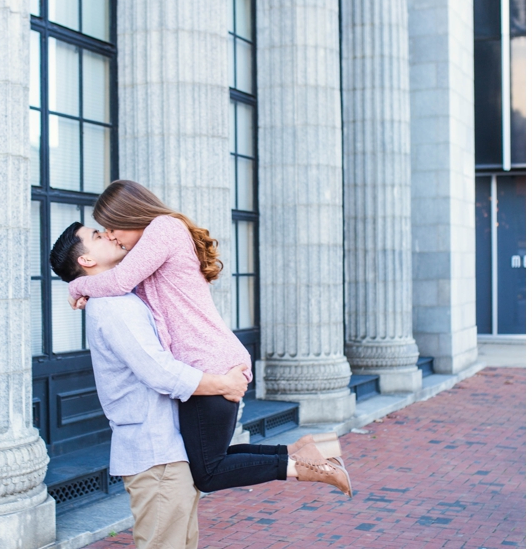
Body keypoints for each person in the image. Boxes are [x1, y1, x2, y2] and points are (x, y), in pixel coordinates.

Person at [50, 222, 246, 549]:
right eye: (97, 235)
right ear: (86, 261)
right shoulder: (113, 308)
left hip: (171, 445)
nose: (110, 236)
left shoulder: (123, 292)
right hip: (152, 450)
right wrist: (220, 383)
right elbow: (158, 372)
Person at [66, 180, 349, 495]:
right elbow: (120, 285)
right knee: (212, 460)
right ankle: (309, 450)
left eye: (112, 226)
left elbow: (118, 281)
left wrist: (76, 287)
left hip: (209, 366)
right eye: (103, 231)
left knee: (208, 473)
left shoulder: (163, 229)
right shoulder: (150, 246)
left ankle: (308, 468)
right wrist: (91, 288)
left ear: (130, 215)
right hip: (208, 363)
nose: (111, 235)